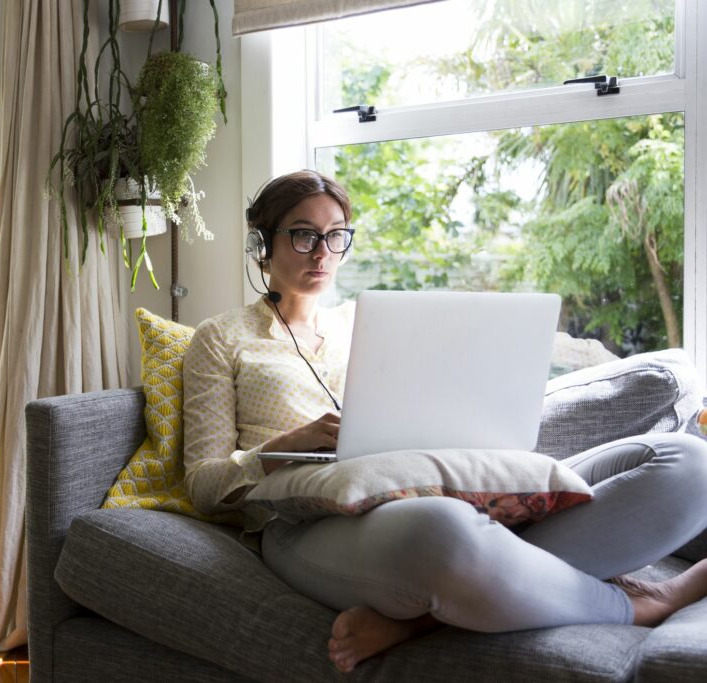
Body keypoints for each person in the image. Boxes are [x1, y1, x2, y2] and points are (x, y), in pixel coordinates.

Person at [181, 169, 707, 673]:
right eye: (303, 236)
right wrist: (281, 447)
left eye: (336, 236)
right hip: (313, 521)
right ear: (261, 244)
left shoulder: (370, 323)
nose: (323, 253)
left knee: (688, 463)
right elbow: (202, 484)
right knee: (445, 532)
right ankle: (638, 605)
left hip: (434, 484)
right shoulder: (221, 337)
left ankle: (423, 621)